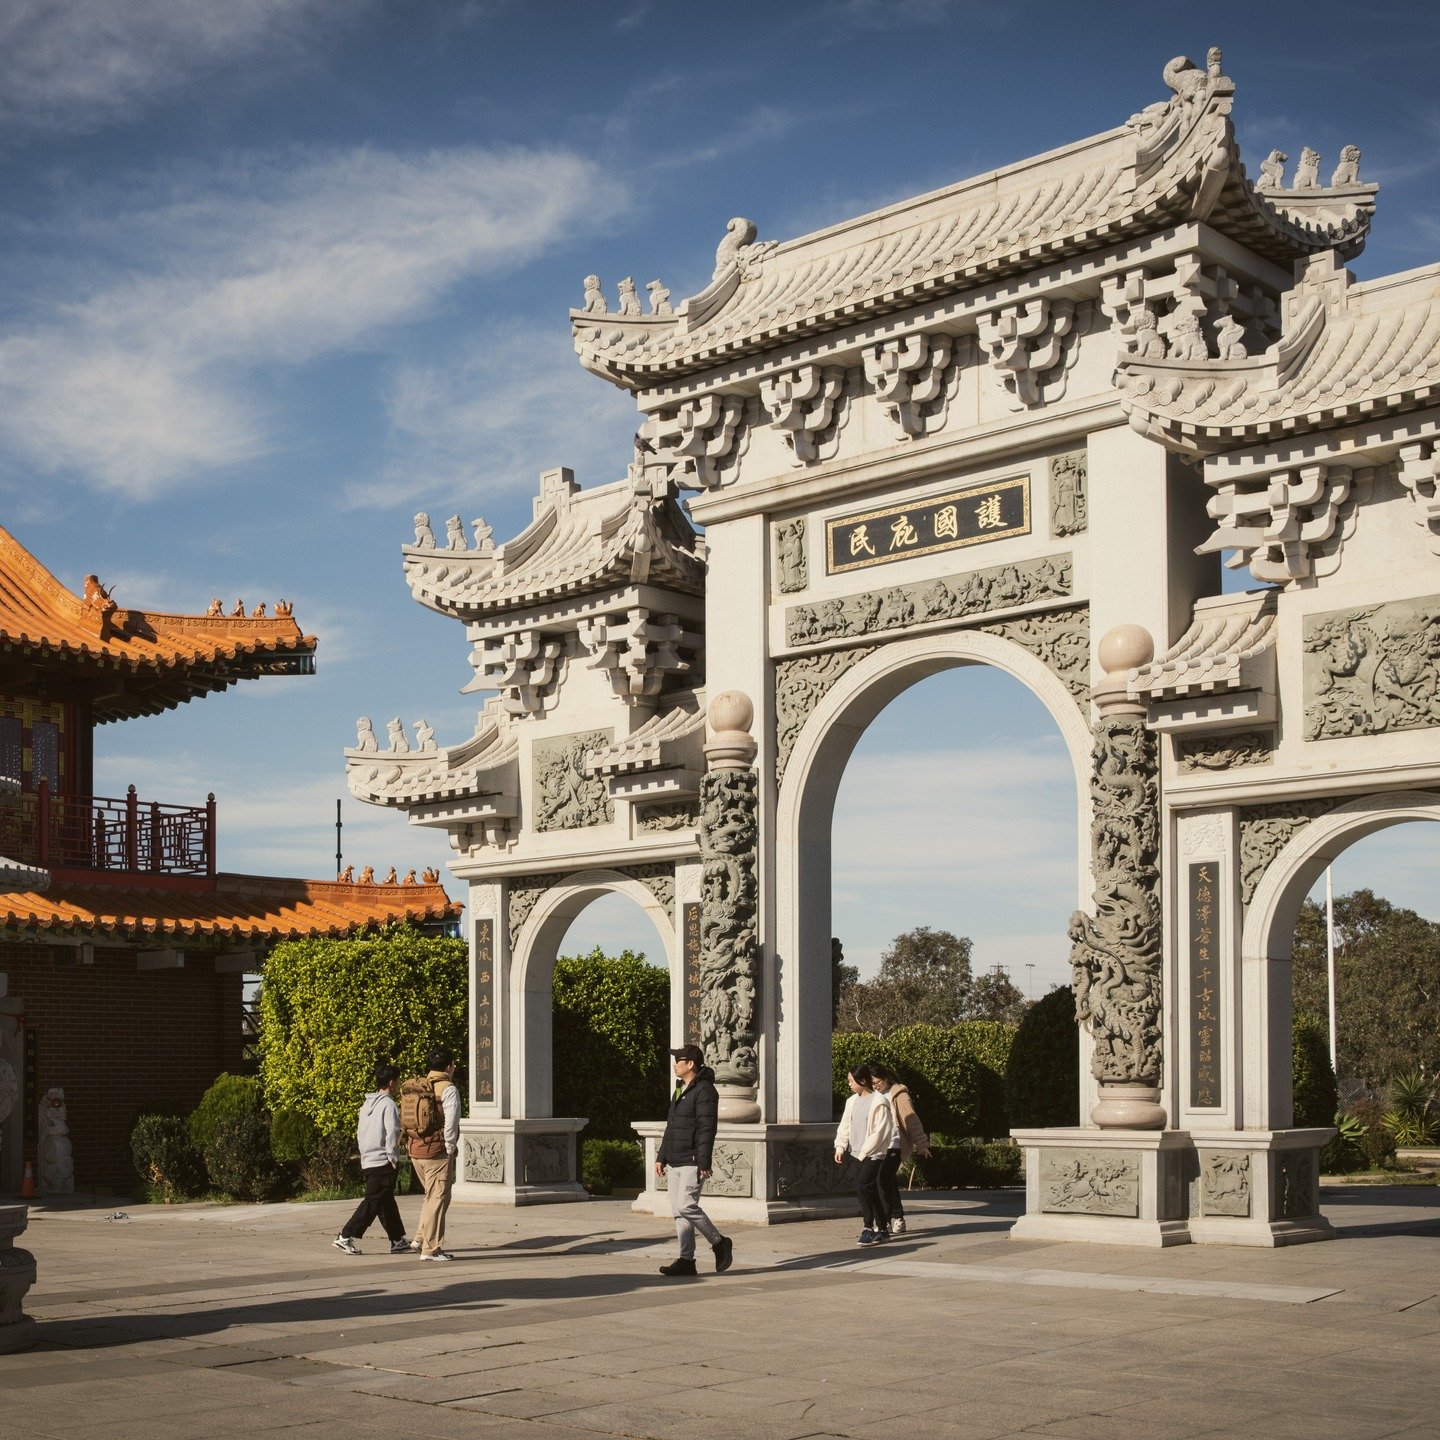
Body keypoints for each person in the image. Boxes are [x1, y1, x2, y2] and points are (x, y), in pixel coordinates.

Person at [655, 1044, 733, 1277]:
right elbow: (671, 1126)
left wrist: (704, 1161)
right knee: (678, 1212)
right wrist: (661, 1156)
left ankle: (720, 1242)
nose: (674, 1064)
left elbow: (707, 1128)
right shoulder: (680, 1090)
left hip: (691, 1159)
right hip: (675, 1159)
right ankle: (686, 1260)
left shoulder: (705, 1091)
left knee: (686, 1206)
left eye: (678, 1060)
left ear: (690, 1064)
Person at [333, 1062, 411, 1256]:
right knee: (373, 1202)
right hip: (382, 1161)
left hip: (368, 1159)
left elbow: (361, 1133)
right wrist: (393, 1158)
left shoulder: (366, 1104)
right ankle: (345, 1235)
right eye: (398, 1081)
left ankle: (397, 1239)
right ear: (391, 1083)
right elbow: (391, 1133)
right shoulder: (389, 1104)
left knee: (385, 1201)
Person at [403, 1047, 460, 1261]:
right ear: (448, 1067)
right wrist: (450, 1149)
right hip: (436, 1152)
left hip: (415, 1149)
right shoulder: (448, 1088)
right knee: (438, 1198)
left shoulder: (419, 1086)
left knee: (431, 1197)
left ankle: (419, 1239)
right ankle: (431, 1249)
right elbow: (451, 1123)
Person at [833, 1062, 897, 1245]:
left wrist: (865, 1152)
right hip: (856, 1152)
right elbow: (845, 1125)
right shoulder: (851, 1101)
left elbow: (881, 1132)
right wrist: (840, 1146)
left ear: (862, 1080)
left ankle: (868, 1227)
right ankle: (883, 1228)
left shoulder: (880, 1101)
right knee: (870, 1189)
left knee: (862, 1186)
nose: (849, 1084)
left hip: (874, 1153)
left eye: (851, 1080)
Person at [870, 1062, 930, 1236]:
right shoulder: (872, 1096)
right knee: (887, 1181)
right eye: (872, 1083)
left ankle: (885, 1221)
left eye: (877, 1082)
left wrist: (922, 1144)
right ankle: (897, 1217)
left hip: (894, 1145)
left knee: (882, 1180)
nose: (875, 1086)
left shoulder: (899, 1095)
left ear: (886, 1078)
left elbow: (911, 1120)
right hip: (877, 1146)